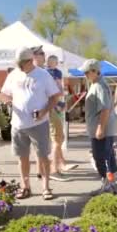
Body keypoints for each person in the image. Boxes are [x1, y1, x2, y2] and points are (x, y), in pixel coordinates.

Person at [0, 47, 61, 200]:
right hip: (18, 124)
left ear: (30, 61)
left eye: (21, 63)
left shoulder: (43, 75)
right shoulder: (13, 74)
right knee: (22, 157)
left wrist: (43, 112)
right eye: (17, 63)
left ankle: (46, 187)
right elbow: (6, 95)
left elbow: (55, 97)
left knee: (43, 157)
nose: (19, 66)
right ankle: (25, 187)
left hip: (39, 124)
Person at [80, 59, 117, 195]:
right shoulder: (98, 84)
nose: (85, 74)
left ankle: (108, 185)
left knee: (101, 157)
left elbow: (105, 109)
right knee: (108, 156)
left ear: (95, 71)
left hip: (102, 128)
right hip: (104, 127)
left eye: (87, 72)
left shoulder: (99, 86)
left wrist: (100, 128)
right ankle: (111, 184)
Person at [37, 49, 78, 179]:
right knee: (57, 138)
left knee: (56, 138)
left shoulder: (43, 73)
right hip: (51, 108)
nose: (48, 62)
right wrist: (59, 104)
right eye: (46, 59)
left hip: (51, 108)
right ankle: (54, 169)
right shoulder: (44, 74)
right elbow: (54, 92)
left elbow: (58, 90)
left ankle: (59, 164)